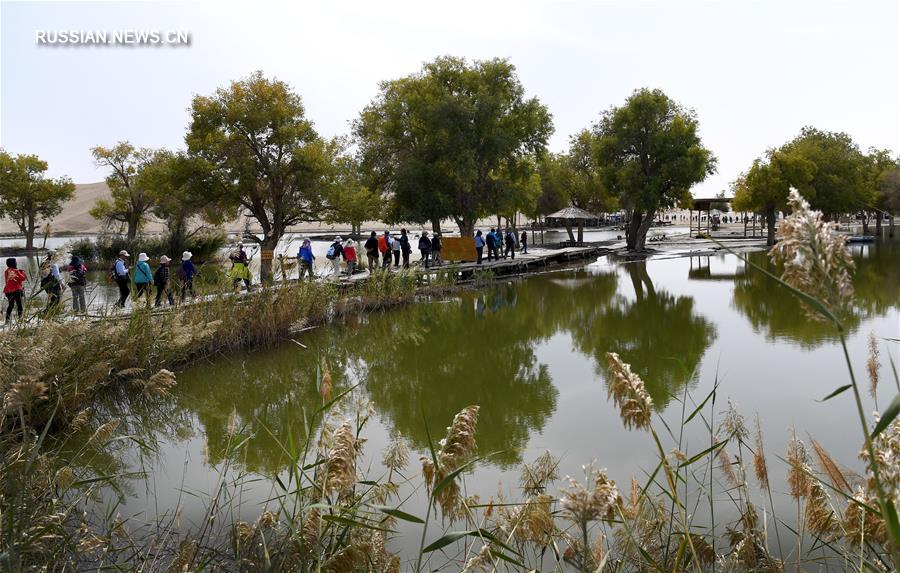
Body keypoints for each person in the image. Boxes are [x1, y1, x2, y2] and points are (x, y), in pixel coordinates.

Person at [4, 258, 26, 323]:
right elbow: (23, 278)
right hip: (16, 290)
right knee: (19, 305)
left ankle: (7, 320)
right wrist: (22, 272)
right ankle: (20, 319)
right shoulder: (15, 271)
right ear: (13, 263)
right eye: (15, 262)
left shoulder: (6, 271)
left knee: (11, 305)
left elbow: (8, 281)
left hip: (8, 290)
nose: (16, 263)